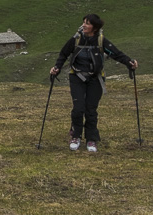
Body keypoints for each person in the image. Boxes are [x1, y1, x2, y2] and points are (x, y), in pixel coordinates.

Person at [49, 13, 137, 153]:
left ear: (94, 28)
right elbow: (63, 54)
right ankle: (76, 136)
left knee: (91, 109)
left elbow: (116, 53)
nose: (84, 25)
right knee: (78, 108)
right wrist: (56, 68)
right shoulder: (76, 39)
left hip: (96, 79)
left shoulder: (101, 41)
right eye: (84, 22)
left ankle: (91, 139)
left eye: (87, 23)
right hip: (76, 77)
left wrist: (129, 62)